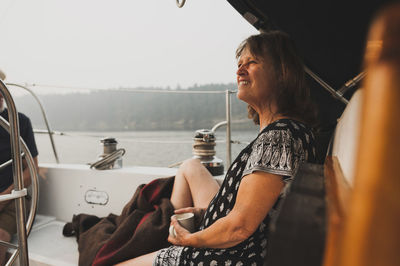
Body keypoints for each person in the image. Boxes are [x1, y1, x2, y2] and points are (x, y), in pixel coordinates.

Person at [118, 31, 317, 266]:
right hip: (236, 244)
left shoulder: (279, 138)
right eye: (239, 64)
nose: (239, 70)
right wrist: (204, 214)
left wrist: (190, 239)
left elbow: (240, 227)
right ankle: (164, 238)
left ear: (282, 73)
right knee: (190, 165)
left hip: (230, 257)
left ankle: (163, 242)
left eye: (251, 62)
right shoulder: (292, 131)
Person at [0, 90, 39, 265]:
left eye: (1, 91)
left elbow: (31, 172)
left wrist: (3, 198)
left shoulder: (19, 122)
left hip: (13, 198)